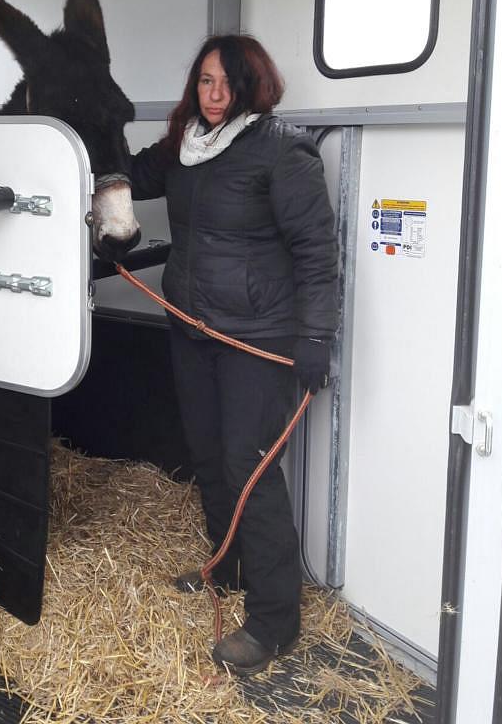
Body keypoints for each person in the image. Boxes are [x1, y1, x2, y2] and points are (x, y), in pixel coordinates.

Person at [129, 34, 338, 677]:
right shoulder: (183, 146)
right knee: (208, 454)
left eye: (226, 82)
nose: (214, 94)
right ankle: (227, 568)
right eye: (204, 81)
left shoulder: (281, 149)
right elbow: (128, 176)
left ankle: (275, 621)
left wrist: (316, 337)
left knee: (251, 468)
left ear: (251, 86)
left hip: (257, 338)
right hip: (194, 329)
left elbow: (316, 249)